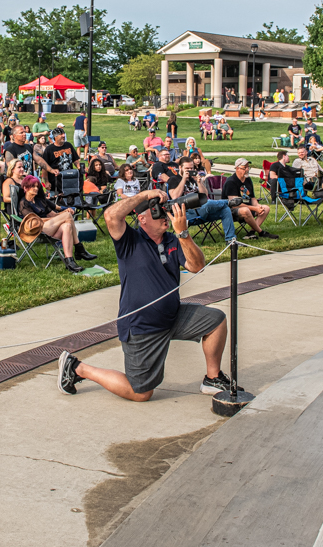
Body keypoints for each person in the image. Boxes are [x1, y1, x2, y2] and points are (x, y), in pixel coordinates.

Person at [55, 188, 229, 401]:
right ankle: (77, 368)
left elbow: (197, 266)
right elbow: (110, 216)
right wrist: (145, 195)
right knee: (141, 393)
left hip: (172, 317)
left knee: (216, 321)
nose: (165, 216)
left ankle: (213, 378)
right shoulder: (129, 240)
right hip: (142, 326)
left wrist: (183, 234)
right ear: (142, 219)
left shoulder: (172, 240)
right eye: (158, 212)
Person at [18, 174, 93, 272]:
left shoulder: (39, 200)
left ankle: (69, 262)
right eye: (33, 186)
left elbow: (53, 215)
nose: (36, 189)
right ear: (25, 188)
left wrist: (64, 212)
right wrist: (63, 216)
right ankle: (79, 248)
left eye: (37, 186)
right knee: (67, 216)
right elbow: (33, 222)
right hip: (38, 230)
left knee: (67, 225)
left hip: (50, 226)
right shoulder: (24, 203)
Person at [222, 159, 278, 239]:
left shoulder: (248, 180)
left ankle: (251, 233)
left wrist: (258, 206)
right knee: (246, 210)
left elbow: (252, 197)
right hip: (232, 210)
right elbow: (234, 204)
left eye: (248, 167)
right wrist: (254, 208)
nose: (247, 169)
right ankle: (261, 232)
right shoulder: (231, 182)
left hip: (248, 207)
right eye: (244, 168)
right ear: (237, 168)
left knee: (265, 208)